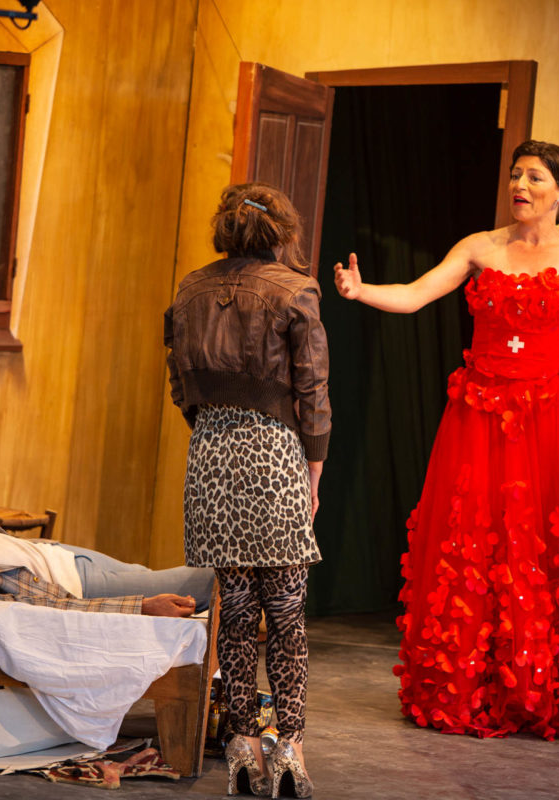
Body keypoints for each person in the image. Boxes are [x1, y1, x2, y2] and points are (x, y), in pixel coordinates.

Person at [333, 140, 559, 747]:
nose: (520, 186)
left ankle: (557, 692)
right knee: (481, 545)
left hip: (556, 423)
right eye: (515, 175)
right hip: (482, 418)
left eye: (534, 178)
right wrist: (361, 290)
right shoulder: (480, 247)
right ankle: (481, 689)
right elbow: (418, 293)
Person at [165, 182, 330, 798]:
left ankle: (240, 747)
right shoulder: (295, 290)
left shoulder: (189, 289)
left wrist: (213, 427)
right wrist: (314, 469)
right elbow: (313, 391)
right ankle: (289, 749)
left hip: (210, 453)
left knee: (234, 612)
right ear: (281, 231)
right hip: (274, 450)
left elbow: (179, 384)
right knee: (285, 612)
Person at [0, 514, 211, 616]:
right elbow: (43, 606)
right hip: (74, 582)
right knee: (208, 580)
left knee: (149, 575)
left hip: (58, 552)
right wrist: (140, 608)